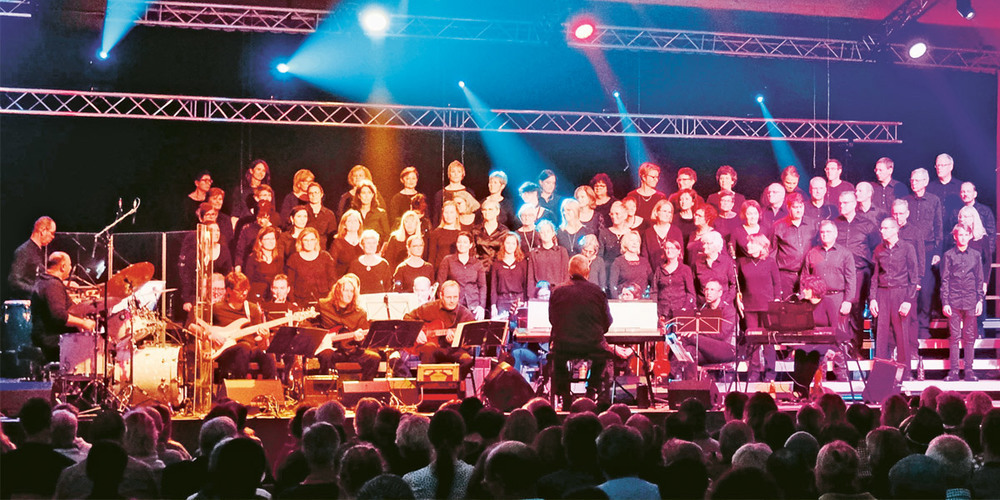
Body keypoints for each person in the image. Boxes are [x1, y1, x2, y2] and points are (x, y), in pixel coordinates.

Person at [549, 255, 612, 407]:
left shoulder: (557, 291)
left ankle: (565, 395)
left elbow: (552, 320)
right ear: (587, 272)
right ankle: (591, 390)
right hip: (592, 345)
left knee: (558, 359)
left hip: (564, 346)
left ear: (569, 271)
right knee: (602, 356)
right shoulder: (597, 292)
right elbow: (607, 322)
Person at [870, 218, 919, 378]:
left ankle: (905, 373)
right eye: (881, 228)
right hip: (882, 293)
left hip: (900, 293)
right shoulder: (879, 249)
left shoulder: (907, 248)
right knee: (881, 334)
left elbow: (914, 277)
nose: (882, 231)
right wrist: (873, 298)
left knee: (902, 334)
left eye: (885, 228)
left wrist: (908, 300)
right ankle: (881, 375)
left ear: (895, 230)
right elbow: (874, 276)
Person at [205, 270, 277, 380]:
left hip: (251, 349)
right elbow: (199, 326)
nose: (244, 293)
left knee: (268, 355)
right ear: (229, 290)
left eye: (246, 289)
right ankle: (239, 386)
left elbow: (258, 341)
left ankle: (270, 387)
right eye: (240, 290)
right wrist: (211, 334)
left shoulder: (252, 309)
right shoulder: (217, 309)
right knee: (243, 347)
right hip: (226, 351)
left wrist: (264, 336)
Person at [834, 191, 880, 356]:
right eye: (840, 203)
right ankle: (841, 349)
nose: (841, 206)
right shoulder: (835, 224)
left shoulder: (867, 225)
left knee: (857, 310)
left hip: (860, 272)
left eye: (845, 203)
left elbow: (877, 249)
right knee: (840, 311)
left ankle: (856, 349)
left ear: (854, 204)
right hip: (839, 273)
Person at [30, 253, 96, 362]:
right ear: (63, 266)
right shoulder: (52, 285)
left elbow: (66, 311)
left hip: (45, 336)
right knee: (94, 343)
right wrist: (83, 323)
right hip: (51, 339)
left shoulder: (44, 281)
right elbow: (59, 316)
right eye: (70, 265)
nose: (70, 268)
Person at [402, 280, 475, 378]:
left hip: (454, 350)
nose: (452, 301)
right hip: (433, 349)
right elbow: (407, 317)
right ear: (441, 295)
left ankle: (453, 385)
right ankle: (427, 384)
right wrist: (417, 331)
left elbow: (470, 343)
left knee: (467, 360)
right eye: (448, 297)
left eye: (455, 297)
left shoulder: (465, 314)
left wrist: (457, 341)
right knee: (429, 348)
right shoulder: (430, 308)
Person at [313, 274, 381, 379]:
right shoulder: (323, 305)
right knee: (326, 355)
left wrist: (359, 339)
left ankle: (364, 387)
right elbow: (309, 323)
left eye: (352, 291)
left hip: (351, 350)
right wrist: (320, 338)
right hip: (331, 349)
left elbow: (365, 340)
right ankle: (327, 387)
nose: (349, 294)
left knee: (374, 358)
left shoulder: (360, 313)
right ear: (338, 291)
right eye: (346, 290)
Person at [940, 224, 984, 382]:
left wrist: (980, 300)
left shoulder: (976, 255)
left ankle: (969, 370)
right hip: (954, 300)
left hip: (971, 300)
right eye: (960, 235)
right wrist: (945, 302)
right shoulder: (949, 255)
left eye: (966, 235)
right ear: (955, 236)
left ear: (970, 236)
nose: (963, 238)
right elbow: (945, 280)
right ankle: (954, 371)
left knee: (969, 336)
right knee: (954, 336)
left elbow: (979, 279)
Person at [905, 167, 943, 339]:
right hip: (909, 249)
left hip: (928, 250)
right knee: (910, 289)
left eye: (917, 180)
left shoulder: (934, 200)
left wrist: (937, 251)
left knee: (926, 291)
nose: (914, 183)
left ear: (926, 182)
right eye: (912, 180)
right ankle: (909, 327)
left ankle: (923, 328)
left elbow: (938, 226)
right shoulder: (905, 201)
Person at [736, 234, 779, 380]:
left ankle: (770, 372)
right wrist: (739, 299)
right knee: (753, 341)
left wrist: (777, 301)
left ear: (762, 246)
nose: (748, 246)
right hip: (750, 306)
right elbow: (739, 285)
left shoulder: (770, 262)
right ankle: (753, 372)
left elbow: (776, 283)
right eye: (748, 243)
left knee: (768, 341)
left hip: (767, 307)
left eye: (752, 243)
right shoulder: (742, 262)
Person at [676, 279, 737, 379]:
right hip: (707, 351)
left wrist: (698, 332)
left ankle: (675, 372)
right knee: (690, 350)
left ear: (720, 293)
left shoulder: (728, 310)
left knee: (690, 337)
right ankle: (690, 384)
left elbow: (721, 335)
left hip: (726, 350)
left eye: (712, 290)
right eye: (706, 290)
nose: (708, 293)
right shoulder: (703, 310)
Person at [772, 193, 817, 299]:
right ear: (788, 208)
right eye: (795, 207)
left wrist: (814, 271)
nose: (799, 210)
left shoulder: (812, 224)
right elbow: (772, 253)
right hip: (785, 276)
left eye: (801, 206)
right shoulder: (778, 226)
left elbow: (817, 249)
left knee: (805, 306)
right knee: (786, 305)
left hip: (807, 275)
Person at [436, 232, 486, 319]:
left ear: (470, 245)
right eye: (459, 242)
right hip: (454, 305)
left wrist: (481, 306)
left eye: (465, 242)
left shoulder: (477, 263)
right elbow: (441, 284)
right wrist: (444, 305)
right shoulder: (448, 260)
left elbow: (482, 286)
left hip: (473, 305)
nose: (462, 244)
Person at [285, 228, 338, 305]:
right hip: (300, 301)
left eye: (312, 240)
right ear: (301, 241)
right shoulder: (294, 259)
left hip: (323, 301)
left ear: (316, 241)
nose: (309, 243)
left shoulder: (325, 257)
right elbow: (290, 284)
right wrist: (293, 302)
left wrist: (330, 300)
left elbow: (332, 281)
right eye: (305, 240)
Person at [8, 215, 56, 298]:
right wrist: (37, 291)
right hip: (26, 302)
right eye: (52, 233)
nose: (53, 237)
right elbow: (14, 281)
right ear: (43, 231)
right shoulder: (23, 251)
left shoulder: (40, 251)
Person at [653, 239, 696, 322]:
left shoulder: (685, 269)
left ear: (678, 251)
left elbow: (691, 293)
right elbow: (654, 291)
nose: (669, 251)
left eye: (672, 248)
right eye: (667, 248)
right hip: (663, 313)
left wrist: (685, 309)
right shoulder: (659, 270)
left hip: (681, 312)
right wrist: (656, 311)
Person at [490, 232, 529, 317]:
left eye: (513, 243)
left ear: (517, 246)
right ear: (503, 244)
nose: (510, 246)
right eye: (508, 243)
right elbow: (493, 287)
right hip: (501, 301)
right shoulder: (496, 264)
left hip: (519, 301)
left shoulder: (523, 263)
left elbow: (526, 284)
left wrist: (526, 301)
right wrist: (493, 305)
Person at [528, 220, 569, 298]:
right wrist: (531, 297)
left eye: (548, 231)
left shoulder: (561, 251)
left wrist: (565, 294)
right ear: (539, 235)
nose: (545, 234)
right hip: (540, 293)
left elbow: (566, 275)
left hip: (558, 292)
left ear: (553, 233)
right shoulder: (534, 253)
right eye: (542, 232)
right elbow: (530, 278)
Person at [244, 226, 284, 302]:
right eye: (267, 239)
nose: (271, 242)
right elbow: (248, 281)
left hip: (274, 297)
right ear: (260, 242)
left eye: (273, 239)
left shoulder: (279, 259)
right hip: (256, 297)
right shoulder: (253, 258)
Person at [642, 199, 684, 270]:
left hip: (673, 274)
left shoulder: (676, 231)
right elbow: (644, 257)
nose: (667, 214)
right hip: (652, 273)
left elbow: (680, 257)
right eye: (664, 211)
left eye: (669, 212)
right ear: (656, 213)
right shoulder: (648, 233)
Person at [609, 231, 651, 300]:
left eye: (637, 241)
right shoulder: (618, 262)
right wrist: (617, 300)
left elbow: (653, 281)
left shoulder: (644, 262)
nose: (635, 243)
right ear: (625, 242)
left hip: (642, 302)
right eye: (632, 240)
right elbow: (612, 285)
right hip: (624, 301)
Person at [349, 230, 393, 294]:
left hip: (378, 298)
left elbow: (388, 288)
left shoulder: (383, 264)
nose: (371, 246)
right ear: (362, 245)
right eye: (368, 243)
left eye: (374, 243)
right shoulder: (355, 264)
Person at [472, 199, 509, 274]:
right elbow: (472, 252)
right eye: (484, 210)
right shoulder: (475, 230)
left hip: (498, 270)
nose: (487, 212)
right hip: (479, 270)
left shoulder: (504, 232)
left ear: (497, 211)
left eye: (490, 209)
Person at [433, 160, 474, 225]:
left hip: (464, 226)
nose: (456, 174)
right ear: (449, 174)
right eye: (453, 171)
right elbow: (437, 216)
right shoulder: (440, 194)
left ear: (462, 174)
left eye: (459, 171)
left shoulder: (469, 192)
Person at [928, 153, 964, 222]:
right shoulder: (929, 187)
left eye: (942, 165)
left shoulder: (960, 186)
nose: (939, 168)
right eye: (937, 165)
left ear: (951, 167)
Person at [428, 201, 463, 272]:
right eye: (446, 212)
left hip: (456, 271)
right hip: (439, 270)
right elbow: (431, 257)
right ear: (442, 214)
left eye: (451, 212)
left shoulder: (461, 234)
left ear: (457, 214)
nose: (449, 215)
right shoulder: (436, 233)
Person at [329, 210, 364, 278]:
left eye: (355, 221)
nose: (352, 223)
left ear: (360, 224)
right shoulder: (337, 243)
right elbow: (331, 266)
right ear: (344, 225)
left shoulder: (364, 242)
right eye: (349, 221)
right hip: (343, 279)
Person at [304, 182, 337, 248]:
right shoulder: (302, 211)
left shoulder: (329, 214)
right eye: (311, 193)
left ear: (321, 194)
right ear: (307, 195)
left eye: (316, 192)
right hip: (306, 246)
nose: (313, 195)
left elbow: (332, 236)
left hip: (323, 249)